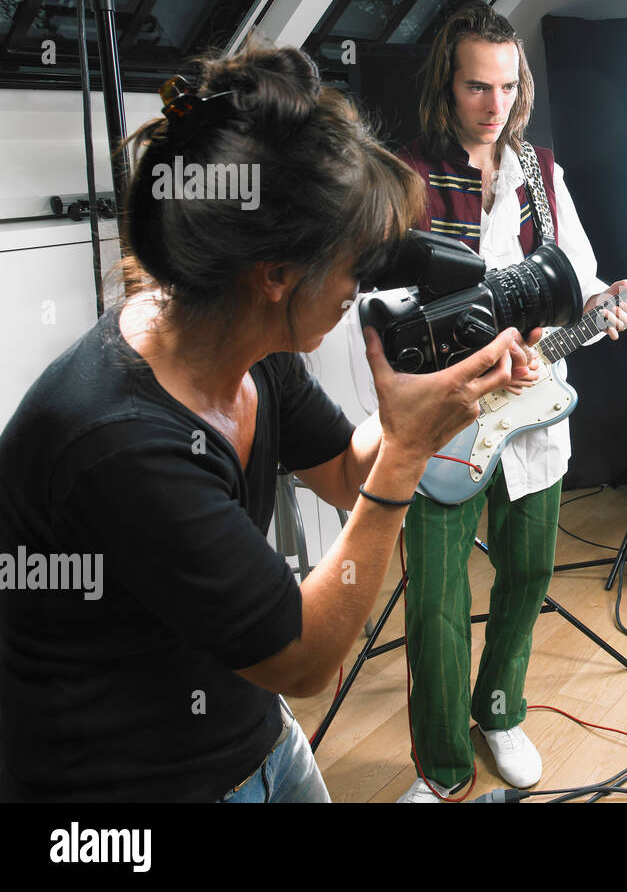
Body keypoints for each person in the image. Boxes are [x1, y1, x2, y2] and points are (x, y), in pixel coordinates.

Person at [0, 39, 534, 802]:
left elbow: (348, 471)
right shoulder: (116, 443)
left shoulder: (246, 337)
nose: (362, 284)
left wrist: (438, 389)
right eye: (355, 262)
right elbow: (305, 658)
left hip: (257, 736)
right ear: (276, 274)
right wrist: (409, 449)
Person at [395, 2, 627, 800]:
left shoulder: (540, 170)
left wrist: (607, 301)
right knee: (434, 597)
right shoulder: (407, 178)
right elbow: (392, 320)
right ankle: (440, 768)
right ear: (447, 84)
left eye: (507, 86)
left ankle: (499, 709)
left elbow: (580, 275)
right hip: (445, 419)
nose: (494, 105)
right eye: (476, 87)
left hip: (535, 416)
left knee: (529, 570)